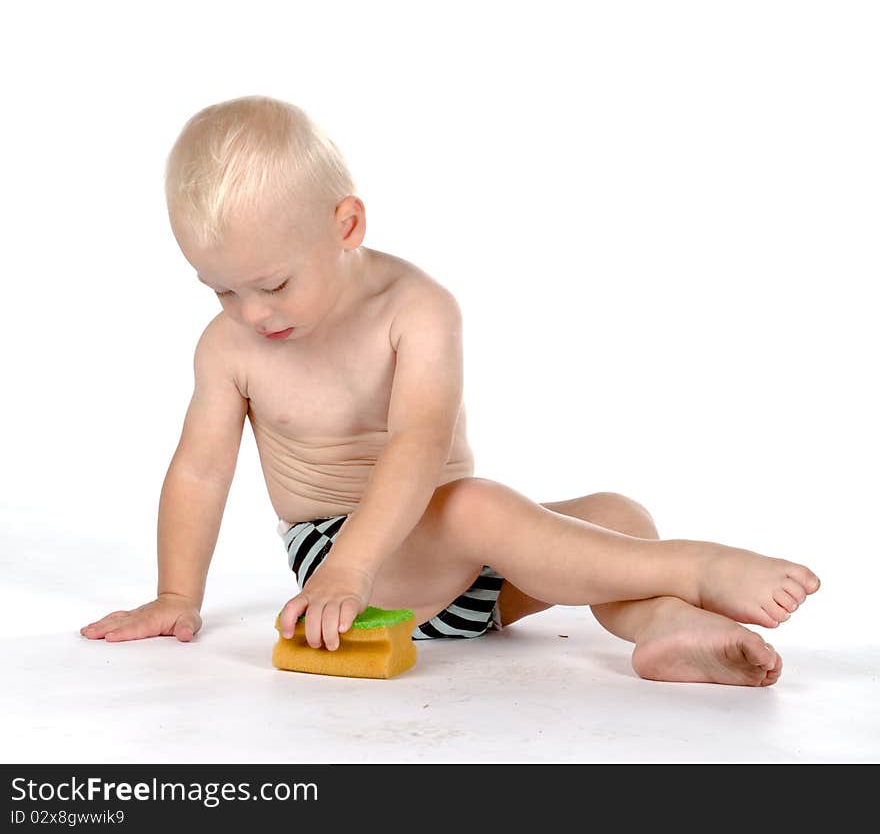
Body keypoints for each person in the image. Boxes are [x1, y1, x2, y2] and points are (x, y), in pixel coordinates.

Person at [80, 95, 820, 687]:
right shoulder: (230, 349)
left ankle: (660, 623)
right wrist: (179, 596)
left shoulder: (417, 308)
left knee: (616, 514)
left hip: (456, 569)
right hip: (346, 569)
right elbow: (201, 471)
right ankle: (695, 568)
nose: (251, 313)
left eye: (271, 283)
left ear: (346, 224)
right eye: (221, 291)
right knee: (475, 506)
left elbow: (420, 442)